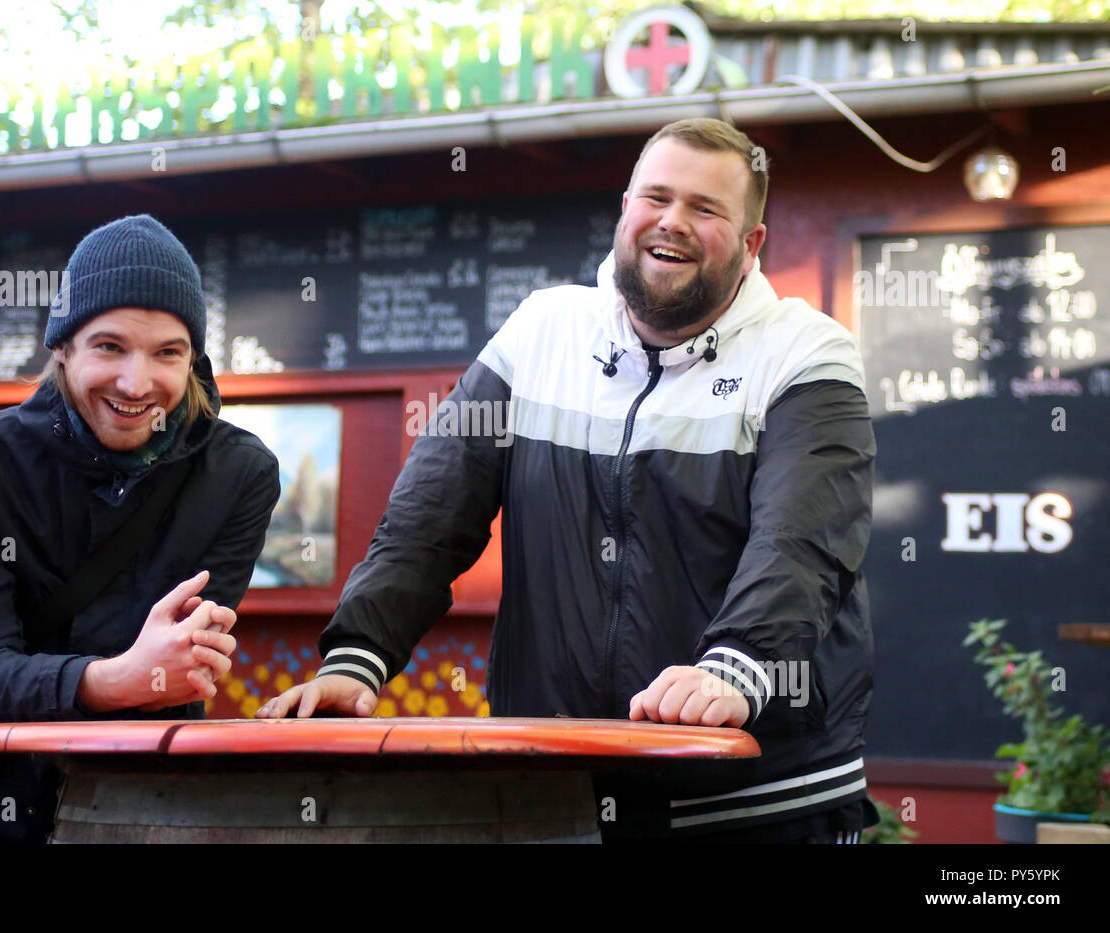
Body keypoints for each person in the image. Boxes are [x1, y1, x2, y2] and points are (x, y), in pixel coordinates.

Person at [257, 118, 879, 842]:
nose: (672, 222)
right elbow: (429, 515)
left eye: (705, 209)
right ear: (625, 210)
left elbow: (801, 540)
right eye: (656, 197)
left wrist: (735, 666)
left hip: (759, 799)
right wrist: (357, 659)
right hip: (560, 794)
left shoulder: (808, 352)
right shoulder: (540, 329)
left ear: (751, 245)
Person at [0, 214, 280, 843]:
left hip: (149, 805)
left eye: (168, 353)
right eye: (109, 347)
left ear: (193, 358)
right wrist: (117, 679)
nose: (137, 385)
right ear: (62, 346)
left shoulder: (242, 472)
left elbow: (180, 668)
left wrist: (138, 674)